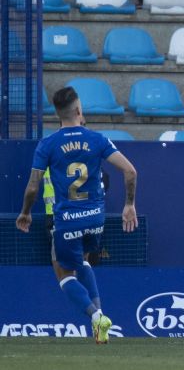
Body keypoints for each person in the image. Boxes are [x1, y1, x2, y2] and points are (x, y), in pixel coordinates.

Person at [16, 86, 138, 344]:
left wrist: (25, 212)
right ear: (79, 110)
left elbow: (33, 185)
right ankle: (100, 320)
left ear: (57, 115)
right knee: (82, 262)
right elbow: (130, 172)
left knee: (63, 275)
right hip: (96, 219)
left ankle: (96, 317)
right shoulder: (98, 140)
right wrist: (129, 204)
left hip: (67, 220)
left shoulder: (48, 144)